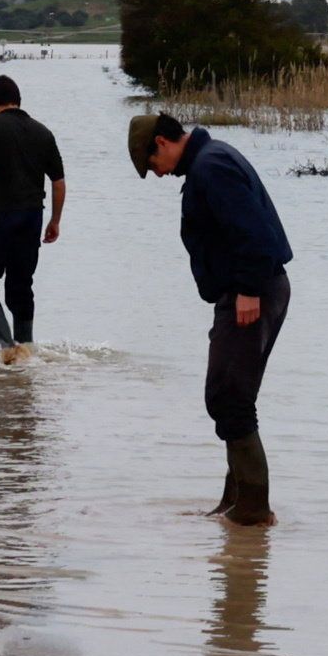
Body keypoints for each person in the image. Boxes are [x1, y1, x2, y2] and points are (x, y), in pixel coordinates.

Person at [127, 105, 292, 519]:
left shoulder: (211, 166)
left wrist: (249, 290)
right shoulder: (209, 160)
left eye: (152, 163)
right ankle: (234, 501)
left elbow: (251, 230)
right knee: (230, 397)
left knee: (229, 398)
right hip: (247, 290)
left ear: (161, 143)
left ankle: (253, 510)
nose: (158, 173)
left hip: (252, 292)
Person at [0, 71, 65, 358]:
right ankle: (27, 349)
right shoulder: (43, 132)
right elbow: (58, 181)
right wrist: (55, 220)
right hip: (32, 217)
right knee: (21, 284)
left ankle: (6, 348)